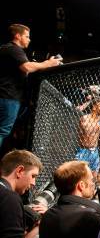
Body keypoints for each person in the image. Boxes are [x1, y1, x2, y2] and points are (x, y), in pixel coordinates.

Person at [0, 24, 61, 157]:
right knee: (3, 130)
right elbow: (27, 67)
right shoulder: (13, 49)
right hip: (8, 96)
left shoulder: (8, 50)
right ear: (18, 36)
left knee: (7, 130)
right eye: (27, 36)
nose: (29, 39)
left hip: (9, 96)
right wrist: (48, 64)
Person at [0, 149, 45, 238]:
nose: (34, 183)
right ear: (19, 171)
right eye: (33, 176)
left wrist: (38, 227)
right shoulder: (10, 198)